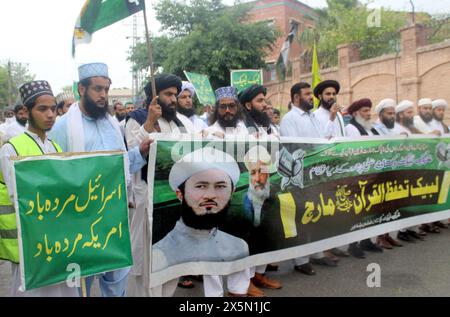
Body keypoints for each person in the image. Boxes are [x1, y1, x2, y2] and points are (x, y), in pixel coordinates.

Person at [49, 62, 151, 297]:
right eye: (97, 89)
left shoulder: (112, 124)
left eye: (106, 89)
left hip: (114, 220)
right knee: (80, 284)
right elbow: (54, 174)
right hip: (80, 221)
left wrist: (141, 152)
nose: (103, 95)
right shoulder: (62, 127)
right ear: (81, 89)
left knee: (117, 281)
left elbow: (123, 166)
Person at [0, 80, 77, 297]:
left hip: (60, 243)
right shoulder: (11, 148)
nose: (51, 114)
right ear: (26, 111)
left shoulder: (55, 147)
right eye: (43, 109)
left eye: (53, 108)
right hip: (31, 246)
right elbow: (22, 198)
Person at [124, 74, 194, 296]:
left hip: (175, 202)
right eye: (168, 94)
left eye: (175, 94)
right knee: (148, 267)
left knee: (171, 263)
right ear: (154, 96)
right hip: (147, 203)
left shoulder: (180, 122)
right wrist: (149, 123)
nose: (173, 99)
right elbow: (131, 157)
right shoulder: (136, 118)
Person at [151, 148, 251, 297]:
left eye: (220, 186)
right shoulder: (160, 255)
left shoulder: (238, 246)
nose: (210, 196)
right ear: (180, 194)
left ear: (232, 192)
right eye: (201, 186)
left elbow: (238, 292)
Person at [280, 82, 338, 276]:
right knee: (302, 217)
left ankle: (317, 253)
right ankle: (300, 260)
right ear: (296, 97)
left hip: (317, 173)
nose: (311, 98)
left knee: (316, 214)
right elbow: (293, 148)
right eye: (307, 95)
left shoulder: (312, 117)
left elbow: (321, 140)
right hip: (301, 175)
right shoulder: (290, 118)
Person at [242, 145, 282, 295]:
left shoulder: (268, 197)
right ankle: (246, 282)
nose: (257, 179)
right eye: (253, 173)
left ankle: (258, 275)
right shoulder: (245, 205)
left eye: (262, 172)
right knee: (251, 243)